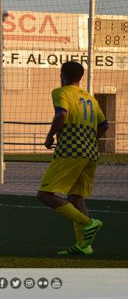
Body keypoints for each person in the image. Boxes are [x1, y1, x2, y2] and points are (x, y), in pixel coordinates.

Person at [38, 61, 108, 256]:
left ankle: (88, 223)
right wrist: (89, 139)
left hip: (70, 151)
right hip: (91, 153)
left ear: (63, 76)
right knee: (76, 197)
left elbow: (61, 114)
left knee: (45, 194)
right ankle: (83, 245)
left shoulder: (61, 92)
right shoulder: (91, 99)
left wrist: (50, 135)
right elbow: (104, 125)